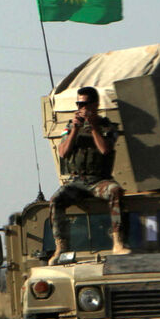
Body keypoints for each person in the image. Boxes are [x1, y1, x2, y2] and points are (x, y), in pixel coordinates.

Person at [49, 86, 130, 263]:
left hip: (98, 181)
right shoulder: (69, 127)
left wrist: (94, 127)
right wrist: (75, 130)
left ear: (95, 104)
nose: (81, 107)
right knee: (56, 199)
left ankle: (117, 242)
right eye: (79, 103)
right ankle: (61, 246)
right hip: (77, 181)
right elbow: (63, 152)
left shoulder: (108, 127)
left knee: (115, 191)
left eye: (85, 104)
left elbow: (105, 149)